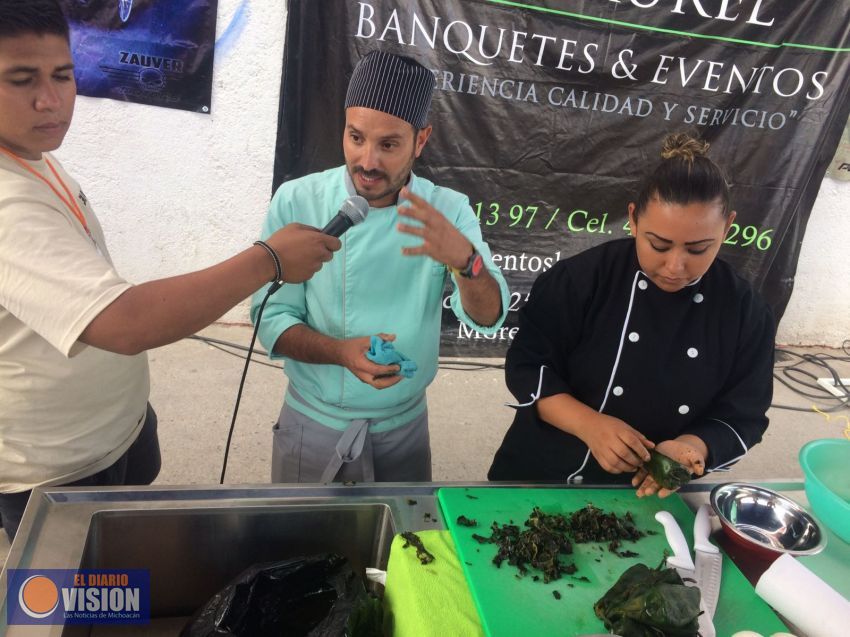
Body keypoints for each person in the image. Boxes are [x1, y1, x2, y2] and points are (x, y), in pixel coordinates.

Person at [0, 0, 340, 541]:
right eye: (22, 80)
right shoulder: (7, 205)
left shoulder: (30, 154)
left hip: (118, 428)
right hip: (58, 468)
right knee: (98, 607)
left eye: (62, 75)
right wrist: (268, 259)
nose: (51, 100)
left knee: (137, 571)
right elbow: (126, 323)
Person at [252, 50, 509, 483]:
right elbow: (270, 316)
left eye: (388, 144)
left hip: (403, 428)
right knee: (295, 543)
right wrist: (339, 353)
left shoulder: (447, 210)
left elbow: (488, 317)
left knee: (400, 548)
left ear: (420, 140)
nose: (367, 161)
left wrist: (467, 262)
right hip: (313, 422)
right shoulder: (298, 201)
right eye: (356, 137)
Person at [488, 133, 776, 497]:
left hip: (652, 494)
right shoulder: (580, 280)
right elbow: (528, 366)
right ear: (633, 220)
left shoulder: (745, 311)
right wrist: (589, 425)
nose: (675, 265)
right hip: (545, 471)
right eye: (658, 244)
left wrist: (691, 448)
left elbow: (744, 415)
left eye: (698, 248)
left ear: (727, 228)